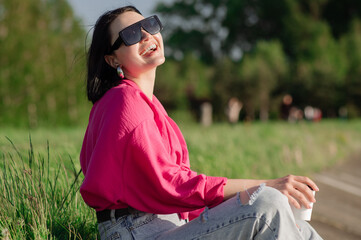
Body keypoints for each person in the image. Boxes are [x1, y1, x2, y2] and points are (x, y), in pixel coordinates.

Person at [80, 6, 323, 240]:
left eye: (149, 25)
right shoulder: (124, 100)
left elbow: (179, 190)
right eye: (131, 34)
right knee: (267, 205)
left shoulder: (146, 103)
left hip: (169, 224)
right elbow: (171, 183)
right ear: (112, 60)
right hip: (138, 231)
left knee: (299, 227)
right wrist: (266, 186)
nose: (146, 35)